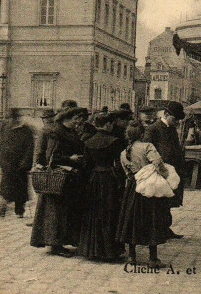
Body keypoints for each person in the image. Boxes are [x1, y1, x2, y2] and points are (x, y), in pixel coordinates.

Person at [30, 107, 87, 257]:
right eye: (76, 119)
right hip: (57, 178)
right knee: (55, 213)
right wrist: (70, 159)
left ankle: (63, 241)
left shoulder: (69, 131)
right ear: (66, 118)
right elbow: (51, 157)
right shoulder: (56, 133)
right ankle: (55, 245)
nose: (78, 122)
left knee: (64, 212)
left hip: (66, 179)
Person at [116, 121, 171, 268]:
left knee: (132, 219)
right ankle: (153, 258)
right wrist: (166, 176)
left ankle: (132, 256)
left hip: (133, 187)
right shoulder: (148, 147)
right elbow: (158, 163)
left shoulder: (124, 152)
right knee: (151, 219)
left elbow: (127, 172)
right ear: (142, 134)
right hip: (149, 187)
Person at [77, 112, 127, 261]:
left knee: (93, 213)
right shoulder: (114, 141)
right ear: (107, 125)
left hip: (94, 179)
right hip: (109, 179)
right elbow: (119, 165)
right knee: (109, 213)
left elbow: (85, 165)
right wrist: (121, 181)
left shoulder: (88, 141)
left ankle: (92, 250)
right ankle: (109, 251)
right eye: (111, 124)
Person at [144, 101, 185, 239]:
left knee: (168, 200)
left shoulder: (171, 128)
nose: (177, 122)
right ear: (166, 114)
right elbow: (148, 149)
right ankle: (157, 230)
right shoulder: (153, 129)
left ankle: (165, 228)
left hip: (172, 170)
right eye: (175, 118)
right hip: (161, 170)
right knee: (159, 201)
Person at [0, 108, 35, 218]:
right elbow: (1, 145)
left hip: (20, 165)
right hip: (7, 164)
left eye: (13, 118)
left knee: (20, 189)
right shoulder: (7, 128)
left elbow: (29, 148)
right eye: (9, 118)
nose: (11, 120)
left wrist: (26, 163)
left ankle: (19, 210)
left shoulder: (25, 130)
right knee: (5, 188)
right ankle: (2, 207)